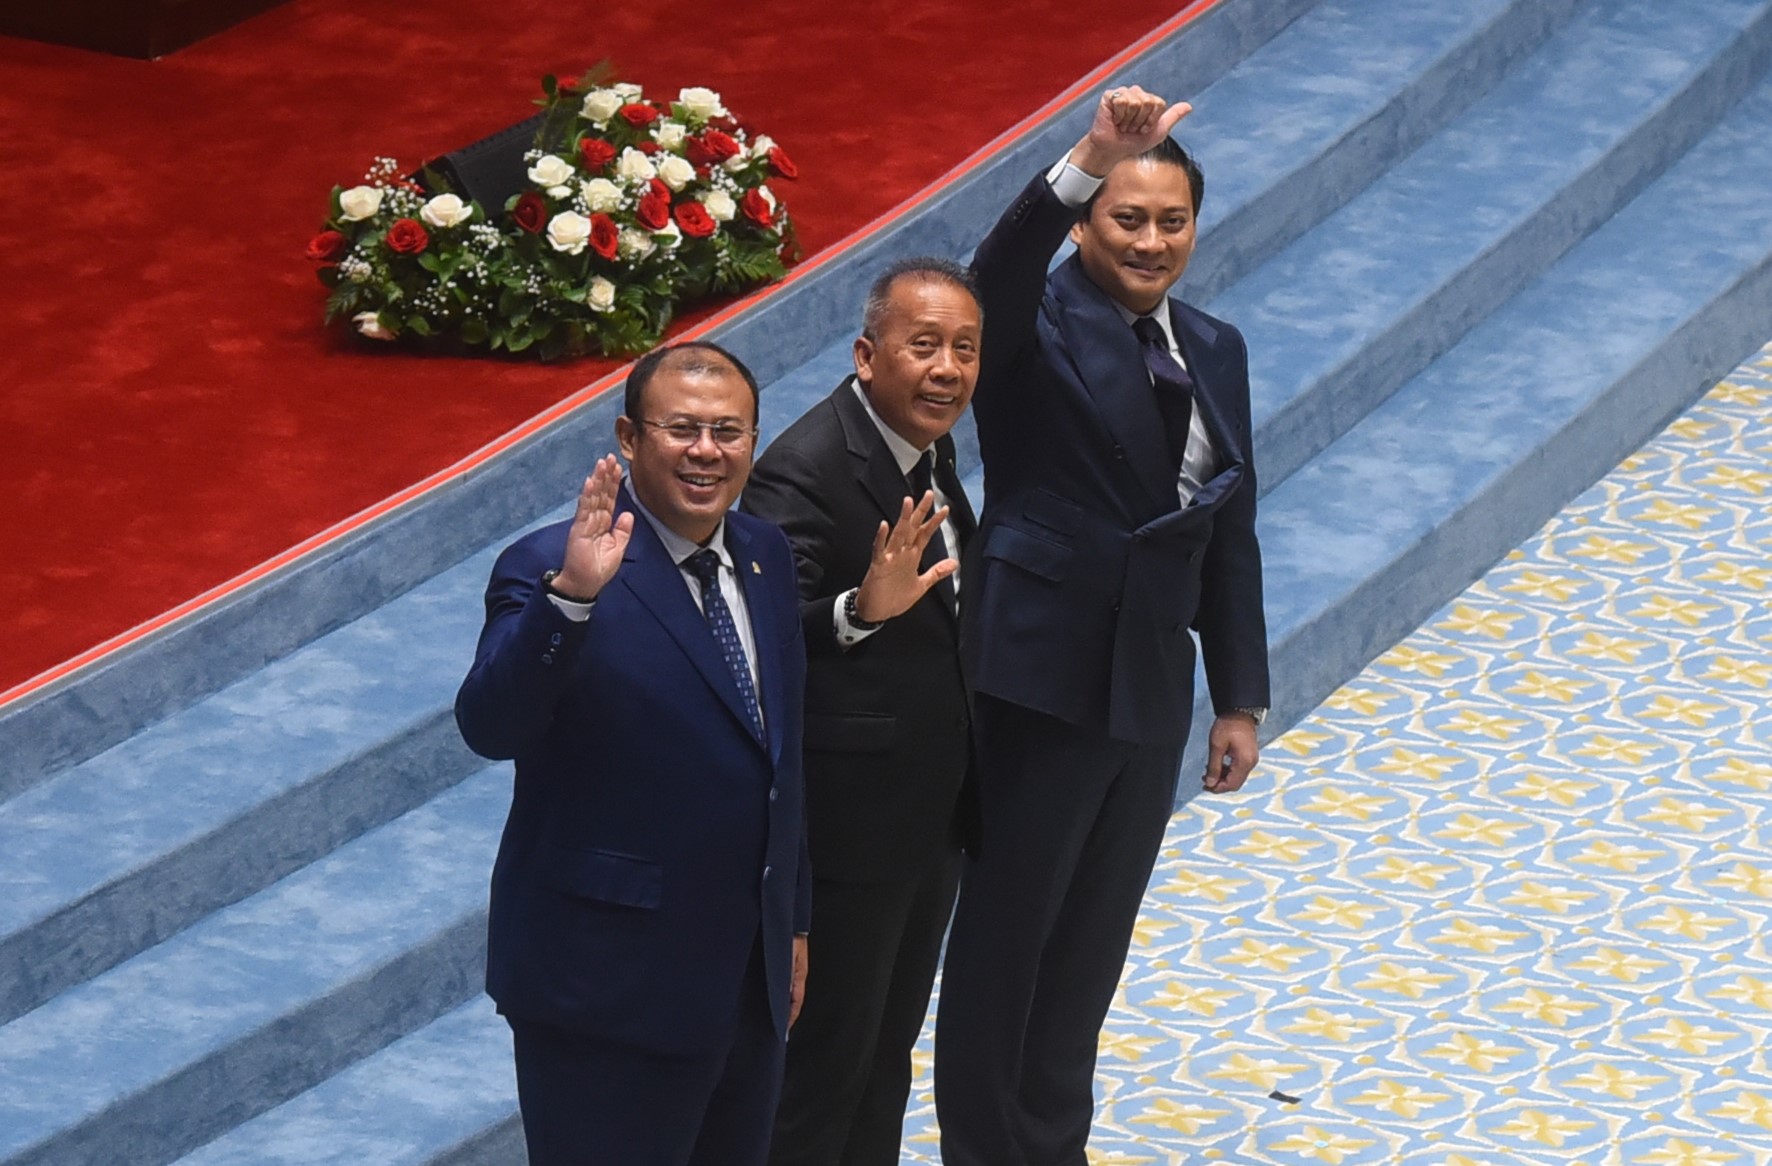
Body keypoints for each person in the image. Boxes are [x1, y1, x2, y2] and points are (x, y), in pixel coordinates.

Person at [934, 86, 1273, 1165]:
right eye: (1126, 217)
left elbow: (1228, 526)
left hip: (1145, 686)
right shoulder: (1028, 325)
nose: (1149, 240)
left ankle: (1052, 1146)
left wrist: (1239, 693)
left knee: (1087, 946)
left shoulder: (1212, 345)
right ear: (1084, 224)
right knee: (1007, 941)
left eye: (1170, 221)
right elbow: (990, 272)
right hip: (1037, 676)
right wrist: (1087, 152)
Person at [454, 341, 810, 1166]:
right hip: (604, 992)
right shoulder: (549, 566)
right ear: (628, 436)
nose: (707, 451)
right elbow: (489, 728)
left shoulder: (765, 556)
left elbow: (781, 760)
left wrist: (793, 917)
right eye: (682, 428)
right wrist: (572, 601)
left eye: (729, 431)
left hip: (744, 984)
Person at [742, 258, 982, 1166]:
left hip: (926, 826)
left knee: (883, 1059)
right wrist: (857, 611)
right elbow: (764, 644)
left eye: (964, 349)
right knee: (821, 1077)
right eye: (923, 346)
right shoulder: (802, 473)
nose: (947, 369)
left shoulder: (929, 450)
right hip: (847, 843)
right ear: (865, 353)